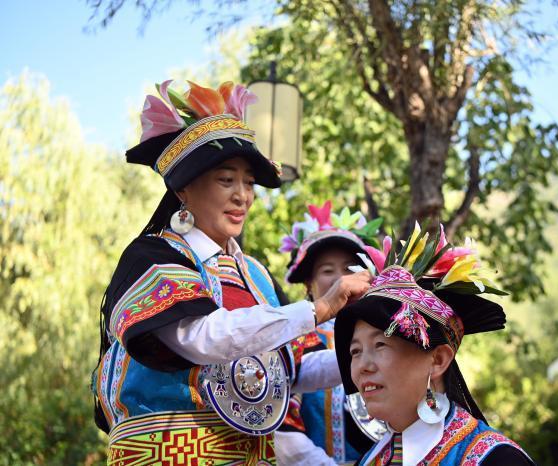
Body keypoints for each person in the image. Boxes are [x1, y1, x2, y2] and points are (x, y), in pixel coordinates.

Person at [91, 79, 370, 465]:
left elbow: (294, 368)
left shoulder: (256, 276)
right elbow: (202, 338)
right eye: (226, 180)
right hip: (169, 454)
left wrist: (371, 347)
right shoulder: (153, 258)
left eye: (249, 183)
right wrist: (319, 309)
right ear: (184, 189)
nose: (242, 195)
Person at [333, 223, 536, 465]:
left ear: (438, 360)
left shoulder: (496, 460)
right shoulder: (369, 460)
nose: (362, 366)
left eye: (380, 345)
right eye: (355, 351)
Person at [274, 201, 381, 465]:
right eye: (327, 270)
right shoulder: (292, 339)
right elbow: (280, 423)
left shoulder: (386, 332)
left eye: (349, 268)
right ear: (308, 283)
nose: (341, 279)